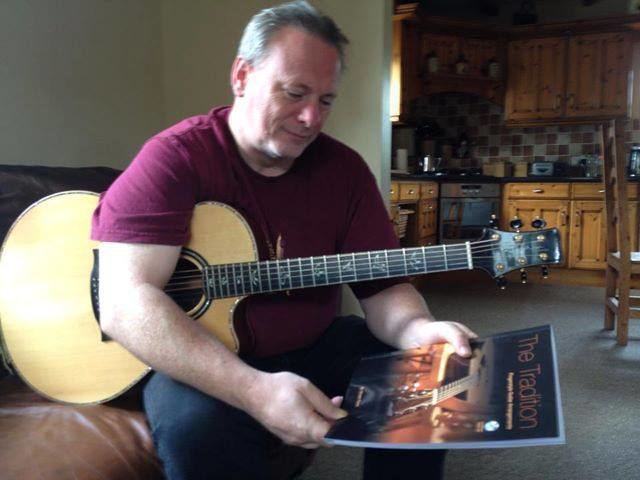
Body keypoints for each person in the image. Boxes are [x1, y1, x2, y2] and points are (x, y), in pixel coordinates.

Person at [91, 1, 476, 479]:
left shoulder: (346, 172)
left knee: (427, 376)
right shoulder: (174, 159)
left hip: (314, 343)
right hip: (201, 351)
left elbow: (384, 290)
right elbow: (125, 303)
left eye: (327, 100)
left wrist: (418, 329)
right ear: (242, 76)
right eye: (294, 93)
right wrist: (254, 390)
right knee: (200, 431)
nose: (312, 117)